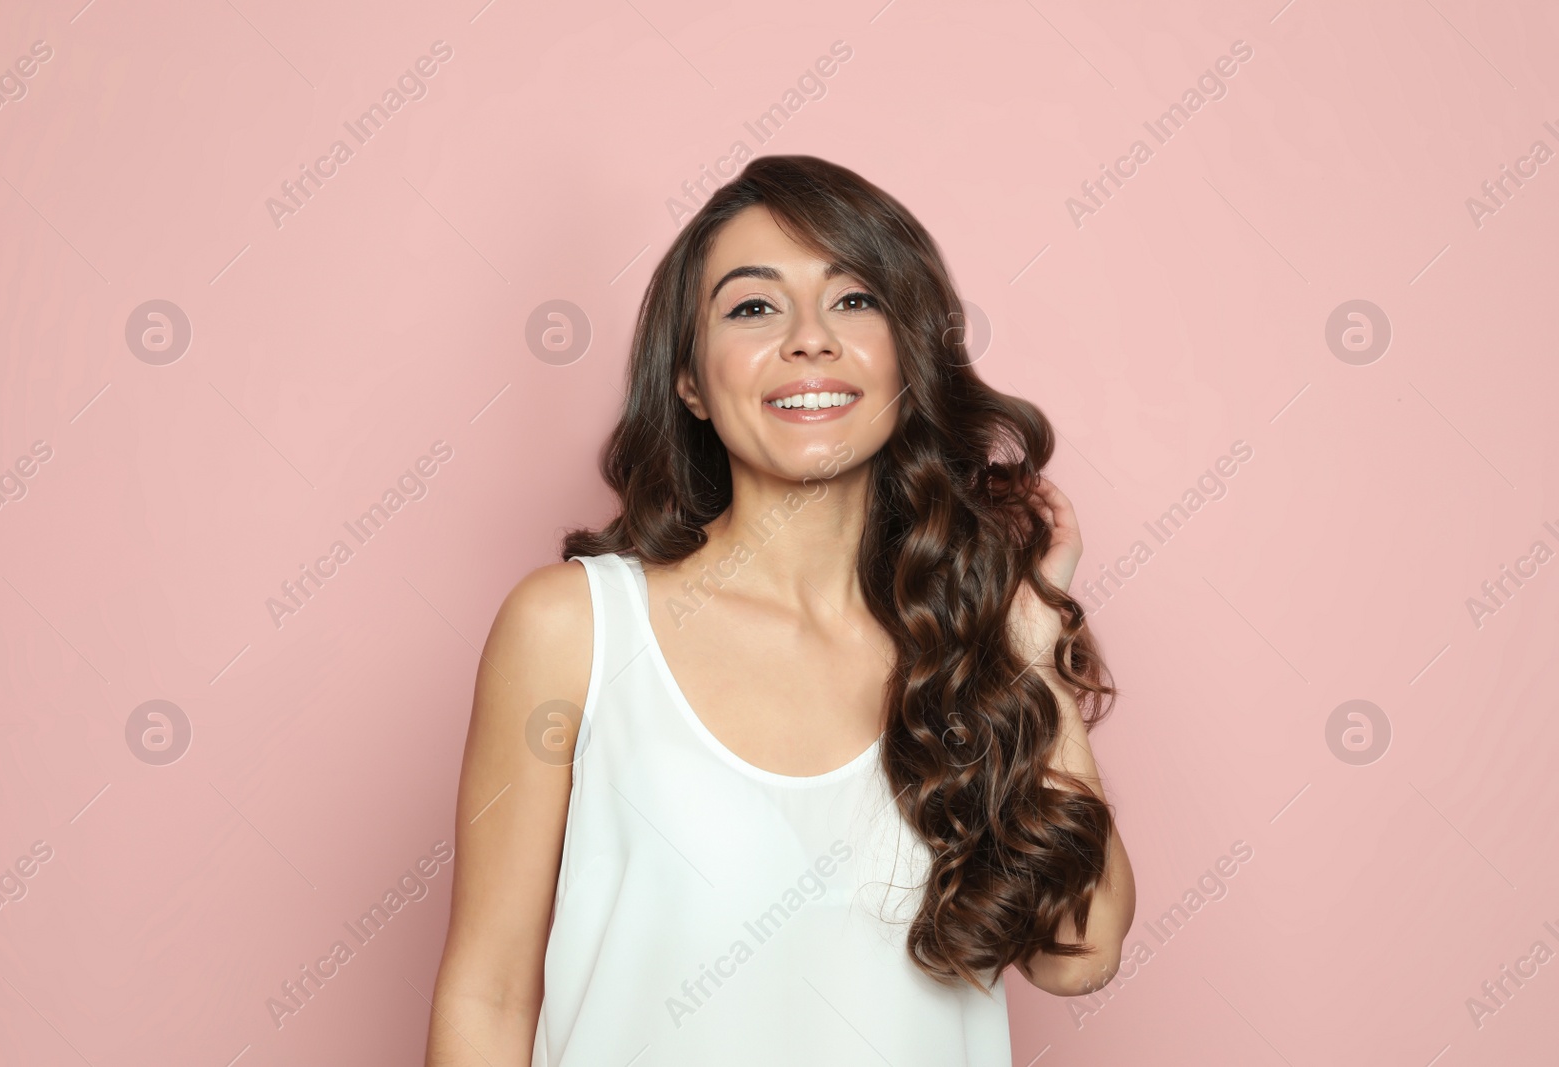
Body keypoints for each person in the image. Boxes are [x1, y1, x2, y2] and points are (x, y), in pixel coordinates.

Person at [424, 154, 1135, 1066]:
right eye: (753, 306)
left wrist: (1031, 632)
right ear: (688, 379)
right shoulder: (575, 629)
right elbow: (485, 994)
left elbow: (1080, 954)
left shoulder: (969, 647)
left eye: (855, 300)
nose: (810, 339)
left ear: (909, 359)